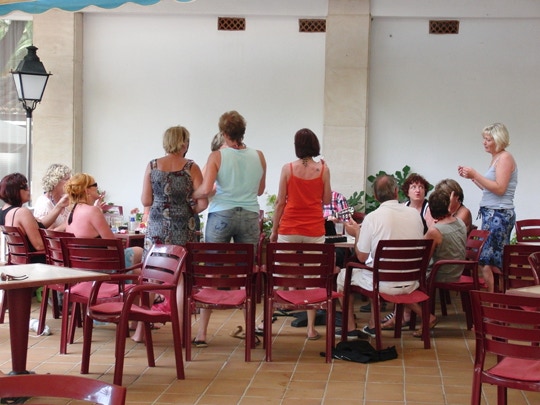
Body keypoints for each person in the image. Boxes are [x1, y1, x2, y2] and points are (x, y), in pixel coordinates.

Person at [191, 110, 266, 348]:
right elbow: (260, 190)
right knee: (247, 274)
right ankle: (250, 331)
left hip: (221, 213)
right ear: (243, 131)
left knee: (211, 271)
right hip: (250, 214)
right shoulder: (259, 156)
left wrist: (191, 195)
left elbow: (205, 189)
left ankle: (202, 334)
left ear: (223, 133)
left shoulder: (216, 156)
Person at [336, 174, 437, 339]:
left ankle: (350, 328)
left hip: (382, 283)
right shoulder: (414, 215)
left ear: (375, 196)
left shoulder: (372, 218)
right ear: (396, 192)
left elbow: (361, 257)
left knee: (343, 276)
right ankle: (372, 325)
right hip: (411, 281)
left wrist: (357, 232)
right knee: (374, 270)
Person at [269, 128, 331, 340]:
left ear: (297, 146)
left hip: (289, 228)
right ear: (315, 145)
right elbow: (327, 200)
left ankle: (266, 320)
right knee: (312, 278)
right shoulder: (323, 169)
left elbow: (280, 202)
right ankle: (311, 328)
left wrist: (274, 231)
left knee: (281, 273)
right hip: (314, 229)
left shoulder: (287, 169)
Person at [458, 123, 517, 292]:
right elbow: (489, 189)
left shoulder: (505, 158)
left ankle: (493, 299)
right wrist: (472, 178)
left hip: (499, 214)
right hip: (492, 213)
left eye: (488, 139)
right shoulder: (497, 158)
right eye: (484, 139)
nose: (484, 142)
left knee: (488, 261)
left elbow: (500, 189)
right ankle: (496, 298)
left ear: (498, 140)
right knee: (490, 260)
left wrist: (476, 174)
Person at [141, 125, 207, 248]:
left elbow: (146, 201)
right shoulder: (191, 167)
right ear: (184, 143)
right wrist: (186, 210)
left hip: (157, 224)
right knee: (181, 258)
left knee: (156, 258)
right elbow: (203, 204)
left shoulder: (152, 165)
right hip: (183, 225)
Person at [0, 173, 69, 259]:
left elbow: (41, 224)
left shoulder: (4, 211)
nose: (28, 189)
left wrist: (59, 205)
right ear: (14, 191)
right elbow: (39, 246)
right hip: (36, 262)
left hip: (18, 260)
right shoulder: (22, 212)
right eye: (25, 187)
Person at [424, 189, 467, 283]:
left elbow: (424, 259)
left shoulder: (435, 231)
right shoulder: (460, 222)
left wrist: (430, 224)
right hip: (457, 273)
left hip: (440, 275)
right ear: (448, 206)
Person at [33, 163, 71, 231]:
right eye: (67, 179)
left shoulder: (63, 199)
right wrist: (69, 223)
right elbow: (47, 233)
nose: (70, 182)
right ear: (55, 182)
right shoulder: (44, 203)